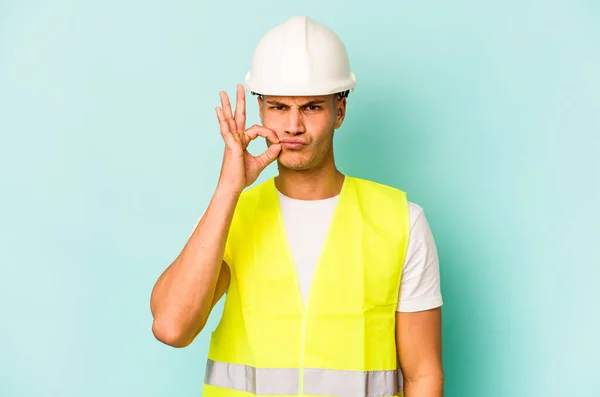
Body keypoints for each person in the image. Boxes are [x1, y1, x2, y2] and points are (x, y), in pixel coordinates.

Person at [150, 15, 444, 397]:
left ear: (339, 111)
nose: (292, 126)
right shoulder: (231, 215)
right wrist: (228, 190)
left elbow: (423, 375)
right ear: (260, 112)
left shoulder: (401, 221)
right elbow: (172, 327)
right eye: (278, 107)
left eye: (311, 108)